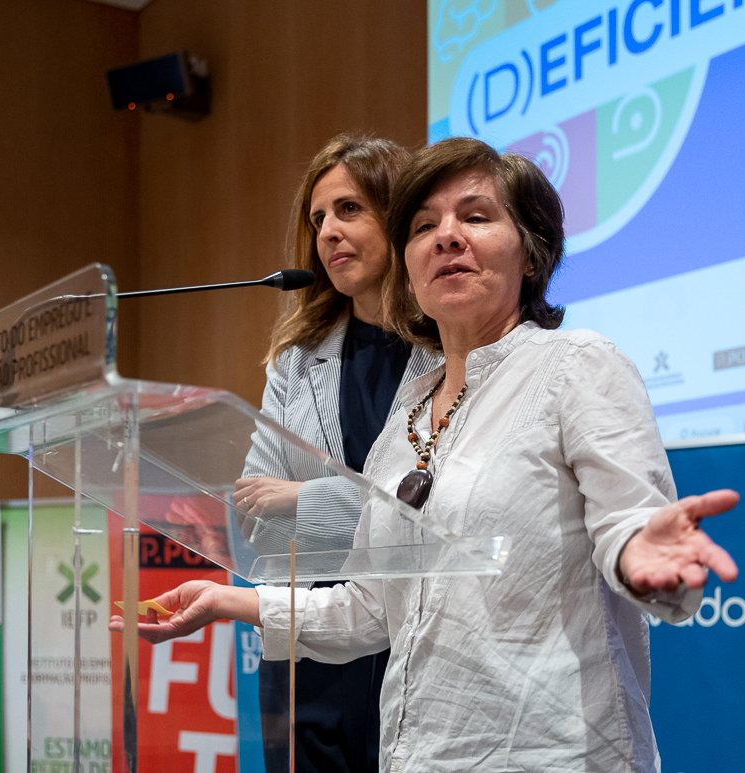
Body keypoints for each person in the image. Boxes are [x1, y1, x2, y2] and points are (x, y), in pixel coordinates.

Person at [113, 137, 740, 772]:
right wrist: (224, 601)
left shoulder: (575, 365)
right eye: (423, 227)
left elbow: (627, 523)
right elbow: (369, 607)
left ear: (531, 252)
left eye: (476, 217)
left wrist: (639, 552)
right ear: (408, 266)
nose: (446, 237)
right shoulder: (406, 418)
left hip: (551, 754)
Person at [231, 134, 441, 772]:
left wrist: (306, 498)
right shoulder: (296, 361)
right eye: (317, 218)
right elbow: (257, 515)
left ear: (398, 215)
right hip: (308, 653)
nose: (327, 232)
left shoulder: (453, 349)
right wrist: (363, 512)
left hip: (415, 640)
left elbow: (438, 520)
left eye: (349, 209)